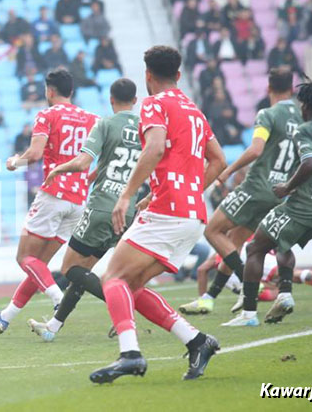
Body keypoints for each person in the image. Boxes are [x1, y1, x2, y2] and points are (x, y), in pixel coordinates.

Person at [90, 45, 225, 383]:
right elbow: (218, 162)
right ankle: (197, 341)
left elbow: (154, 146)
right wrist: (182, 191)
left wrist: (126, 195)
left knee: (113, 278)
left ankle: (130, 355)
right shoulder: (194, 110)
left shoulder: (152, 104)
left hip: (169, 211)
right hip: (193, 214)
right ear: (178, 75)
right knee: (130, 286)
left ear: (147, 76)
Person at [224, 83, 312, 327]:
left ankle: (248, 315)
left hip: (302, 206)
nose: (301, 108)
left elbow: (310, 163)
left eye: (303, 104)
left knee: (255, 248)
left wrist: (287, 187)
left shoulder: (304, 130)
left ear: (308, 105)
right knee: (282, 242)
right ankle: (284, 295)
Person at [0, 69, 99, 333]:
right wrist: (87, 179)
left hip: (54, 193)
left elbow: (34, 154)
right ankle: (6, 317)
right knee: (39, 266)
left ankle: (58, 299)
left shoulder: (47, 114)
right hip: (78, 200)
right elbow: (104, 155)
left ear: (50, 91)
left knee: (24, 258)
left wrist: (14, 162)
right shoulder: (92, 118)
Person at [26, 78, 140, 341]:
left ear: (111, 100)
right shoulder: (146, 127)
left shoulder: (106, 124)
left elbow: (82, 162)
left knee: (69, 269)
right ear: (135, 100)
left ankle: (125, 309)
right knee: (83, 271)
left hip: (101, 207)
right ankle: (53, 327)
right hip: (127, 208)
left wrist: (58, 168)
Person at [181, 69, 302, 315]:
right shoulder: (301, 119)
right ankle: (209, 298)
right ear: (291, 89)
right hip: (278, 191)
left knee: (212, 230)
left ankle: (249, 286)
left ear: (268, 88)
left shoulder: (267, 114)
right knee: (234, 241)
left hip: (256, 185)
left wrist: (228, 171)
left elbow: (256, 150)